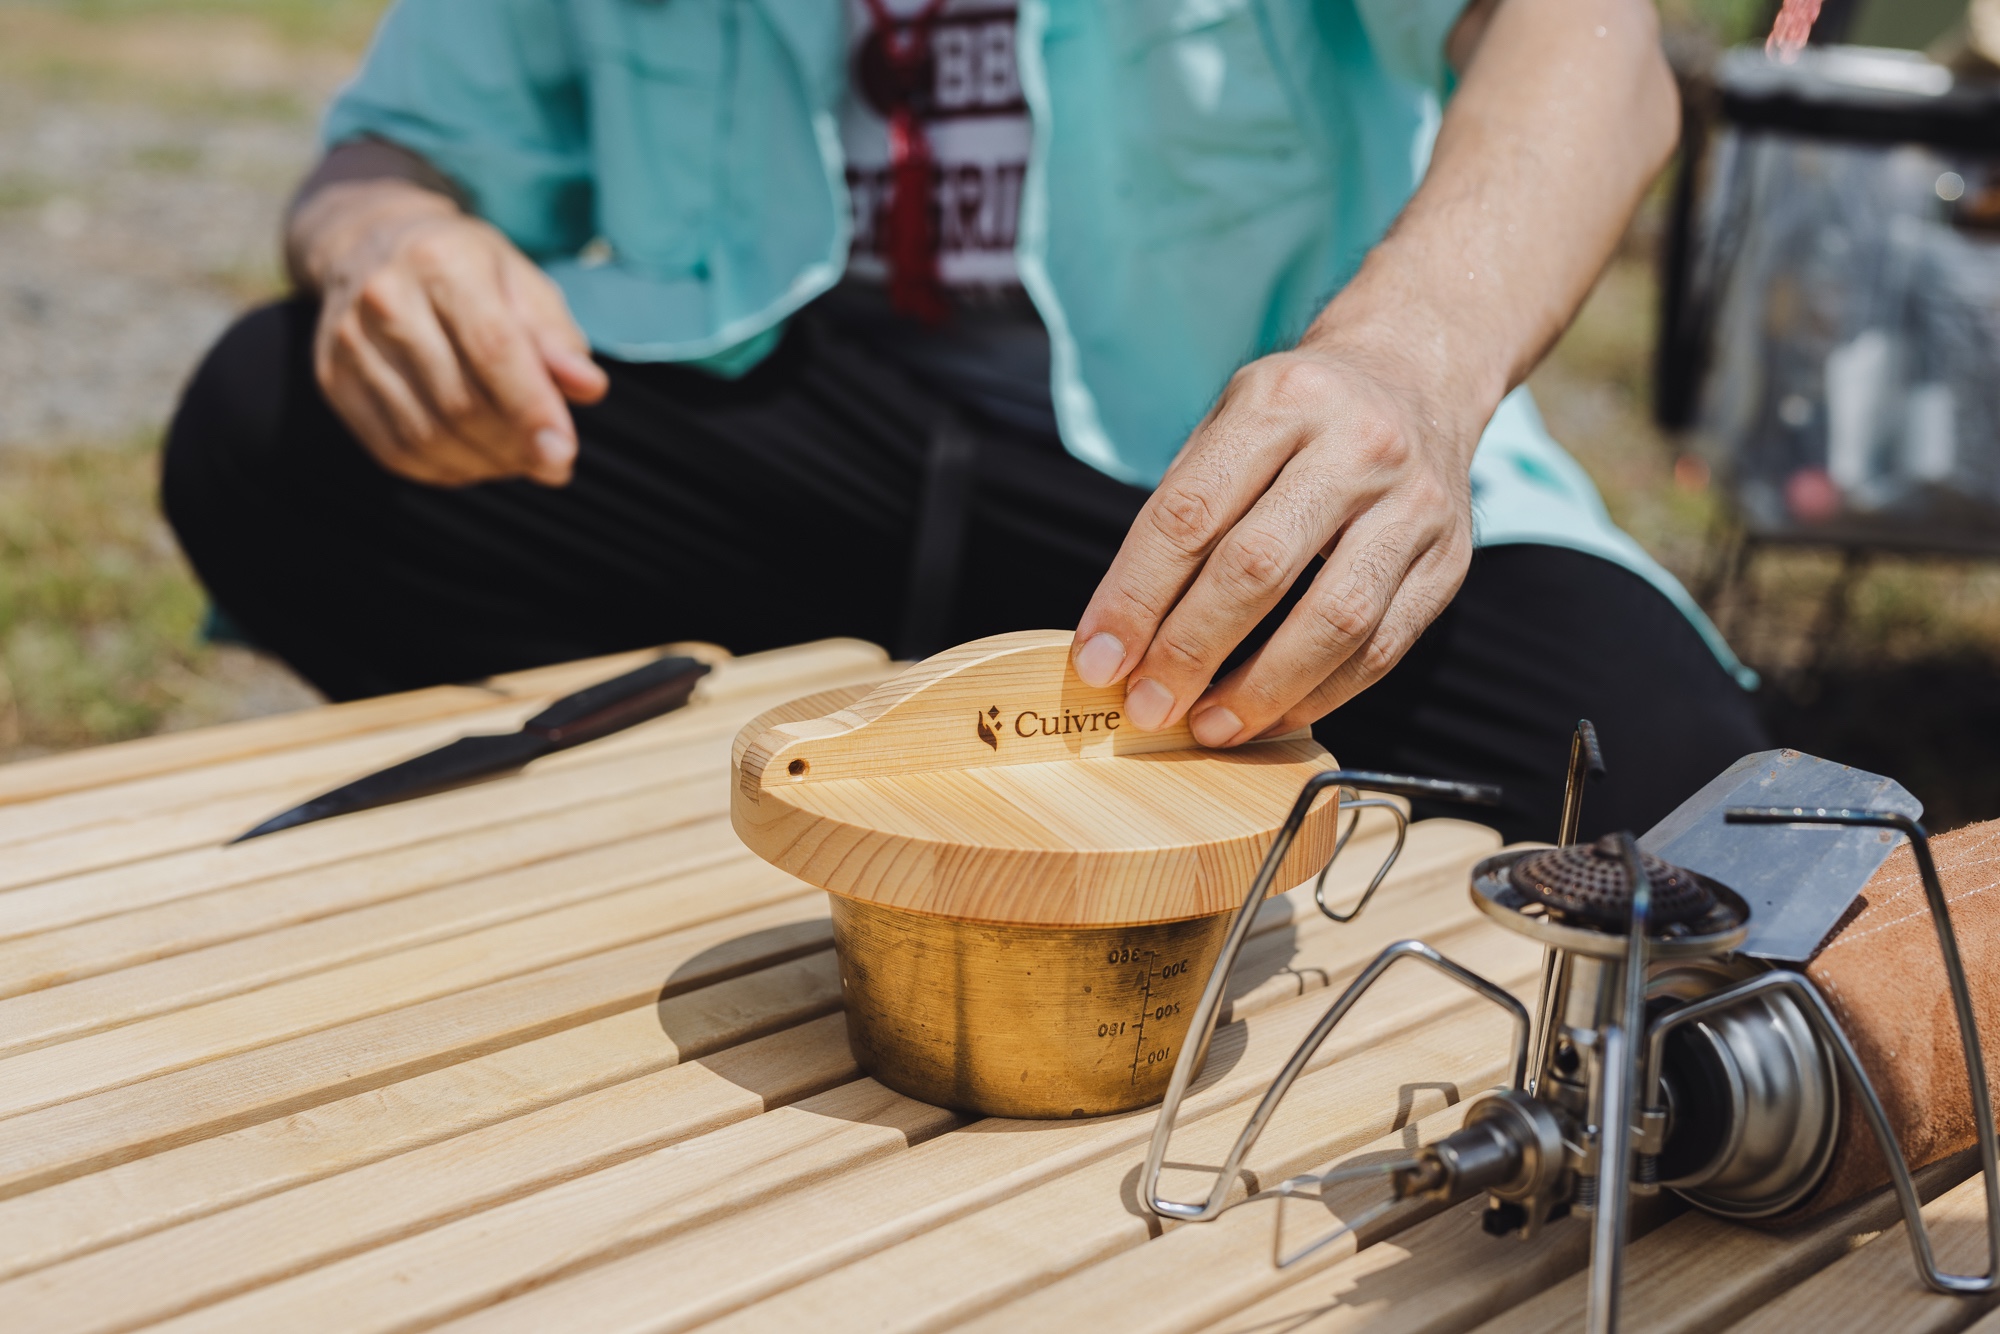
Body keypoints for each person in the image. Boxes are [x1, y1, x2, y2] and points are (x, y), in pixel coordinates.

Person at [162, 0, 1767, 844]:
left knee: (1657, 779)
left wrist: (1411, 364)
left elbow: (1596, 50)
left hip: (1207, 485)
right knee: (267, 421)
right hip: (788, 450)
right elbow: (387, 154)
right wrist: (386, 245)